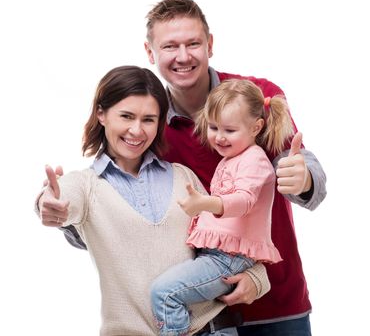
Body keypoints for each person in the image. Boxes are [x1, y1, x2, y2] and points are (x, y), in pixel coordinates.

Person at [44, 0, 327, 336]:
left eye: (193, 43)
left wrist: (303, 177)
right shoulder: (151, 130)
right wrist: (64, 216)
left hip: (275, 300)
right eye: (169, 46)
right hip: (202, 314)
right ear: (151, 53)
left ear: (210, 44)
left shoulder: (257, 96)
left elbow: (302, 167)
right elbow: (123, 220)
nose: (183, 56)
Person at [36, 65, 271, 336]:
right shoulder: (86, 186)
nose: (136, 130)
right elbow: (62, 197)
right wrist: (49, 202)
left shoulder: (182, 176)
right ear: (101, 114)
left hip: (214, 329)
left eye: (148, 119)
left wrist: (257, 278)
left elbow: (224, 242)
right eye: (126, 116)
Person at [150, 79, 293, 336]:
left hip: (228, 259)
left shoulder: (255, 160)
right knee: (167, 291)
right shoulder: (232, 158)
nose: (218, 137)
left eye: (229, 130)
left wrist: (206, 204)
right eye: (213, 127)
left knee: (165, 293)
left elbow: (243, 200)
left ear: (256, 127)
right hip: (219, 256)